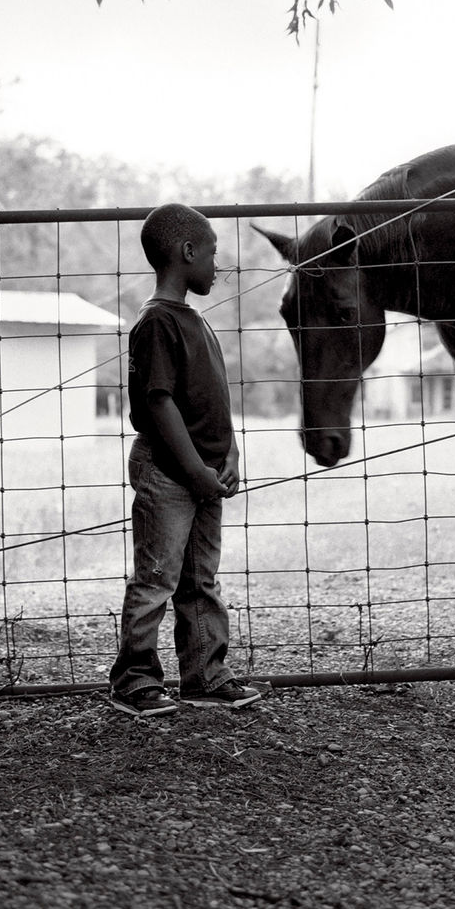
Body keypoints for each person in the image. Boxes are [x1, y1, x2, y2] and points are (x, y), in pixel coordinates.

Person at [108, 203, 263, 716]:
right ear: (187, 251)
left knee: (201, 581)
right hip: (171, 476)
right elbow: (158, 401)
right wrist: (194, 469)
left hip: (206, 478)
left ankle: (204, 676)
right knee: (157, 578)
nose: (218, 264)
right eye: (213, 252)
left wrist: (229, 453)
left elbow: (214, 399)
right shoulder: (156, 323)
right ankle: (134, 680)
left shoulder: (197, 322)